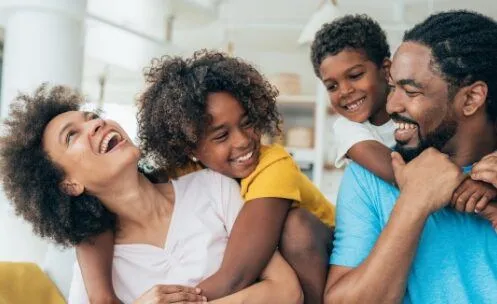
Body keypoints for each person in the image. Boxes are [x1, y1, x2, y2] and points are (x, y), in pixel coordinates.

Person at [0, 84, 303, 304]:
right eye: (72, 135)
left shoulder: (213, 188)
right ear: (69, 185)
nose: (96, 123)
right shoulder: (96, 271)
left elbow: (286, 291)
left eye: (91, 117)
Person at [76, 50, 335, 304]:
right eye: (221, 136)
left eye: (247, 123)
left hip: (326, 259)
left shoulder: (273, 165)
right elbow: (112, 208)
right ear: (189, 148)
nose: (244, 141)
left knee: (295, 227)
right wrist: (101, 295)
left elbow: (236, 275)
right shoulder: (188, 175)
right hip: (273, 274)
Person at [324, 10, 497, 303]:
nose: (391, 105)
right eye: (393, 87)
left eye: (411, 91)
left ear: (470, 99)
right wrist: (414, 202)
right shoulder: (366, 178)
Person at [311, 14, 497, 225]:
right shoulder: (348, 129)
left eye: (355, 75)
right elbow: (403, 173)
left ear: (386, 70)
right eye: (331, 86)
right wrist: (469, 189)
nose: (344, 91)